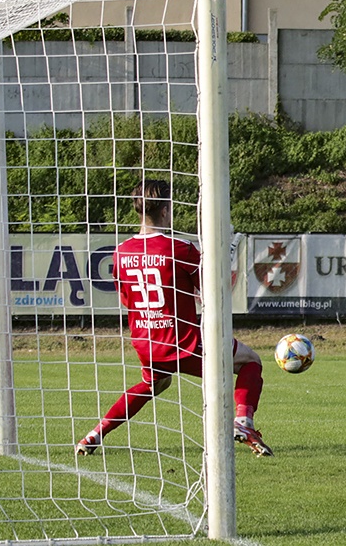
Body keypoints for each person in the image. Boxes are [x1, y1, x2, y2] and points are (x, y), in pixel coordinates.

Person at [76, 179, 272, 457]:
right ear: (167, 210)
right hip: (184, 341)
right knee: (250, 361)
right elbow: (214, 295)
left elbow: (127, 299)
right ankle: (243, 422)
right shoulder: (180, 249)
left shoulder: (120, 252)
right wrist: (226, 263)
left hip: (147, 342)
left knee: (154, 384)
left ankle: (95, 434)